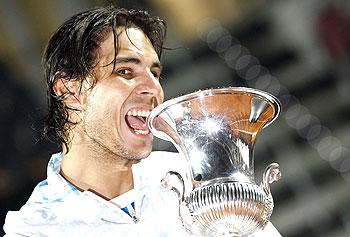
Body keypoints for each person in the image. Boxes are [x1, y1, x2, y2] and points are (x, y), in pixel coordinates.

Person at [4, 5, 281, 237]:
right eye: (125, 71)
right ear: (69, 90)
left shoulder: (196, 179)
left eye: (155, 73)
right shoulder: (36, 231)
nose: (153, 88)